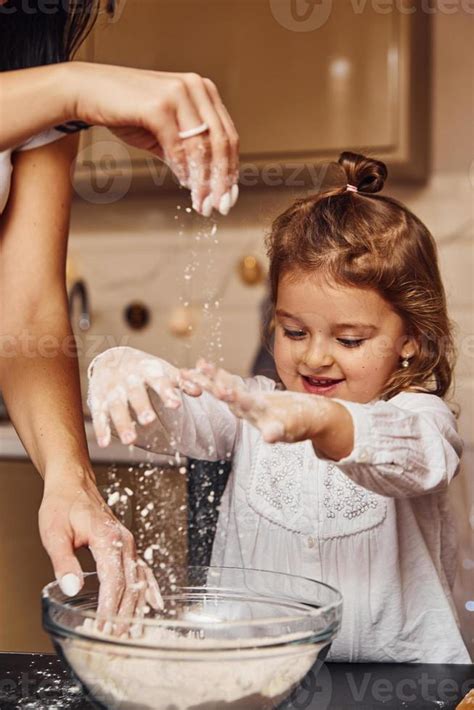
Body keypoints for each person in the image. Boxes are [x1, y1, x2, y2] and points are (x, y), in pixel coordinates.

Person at [87, 151, 470, 663]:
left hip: (407, 687)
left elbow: (415, 459)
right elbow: (174, 417)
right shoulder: (253, 410)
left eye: (350, 339)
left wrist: (323, 421)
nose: (314, 356)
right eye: (294, 332)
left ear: (412, 340)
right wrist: (120, 366)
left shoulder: (420, 418)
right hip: (255, 678)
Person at [0, 0, 238, 620]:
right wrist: (72, 88)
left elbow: (25, 312)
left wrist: (68, 476)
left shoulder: (28, 58)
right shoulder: (56, 90)